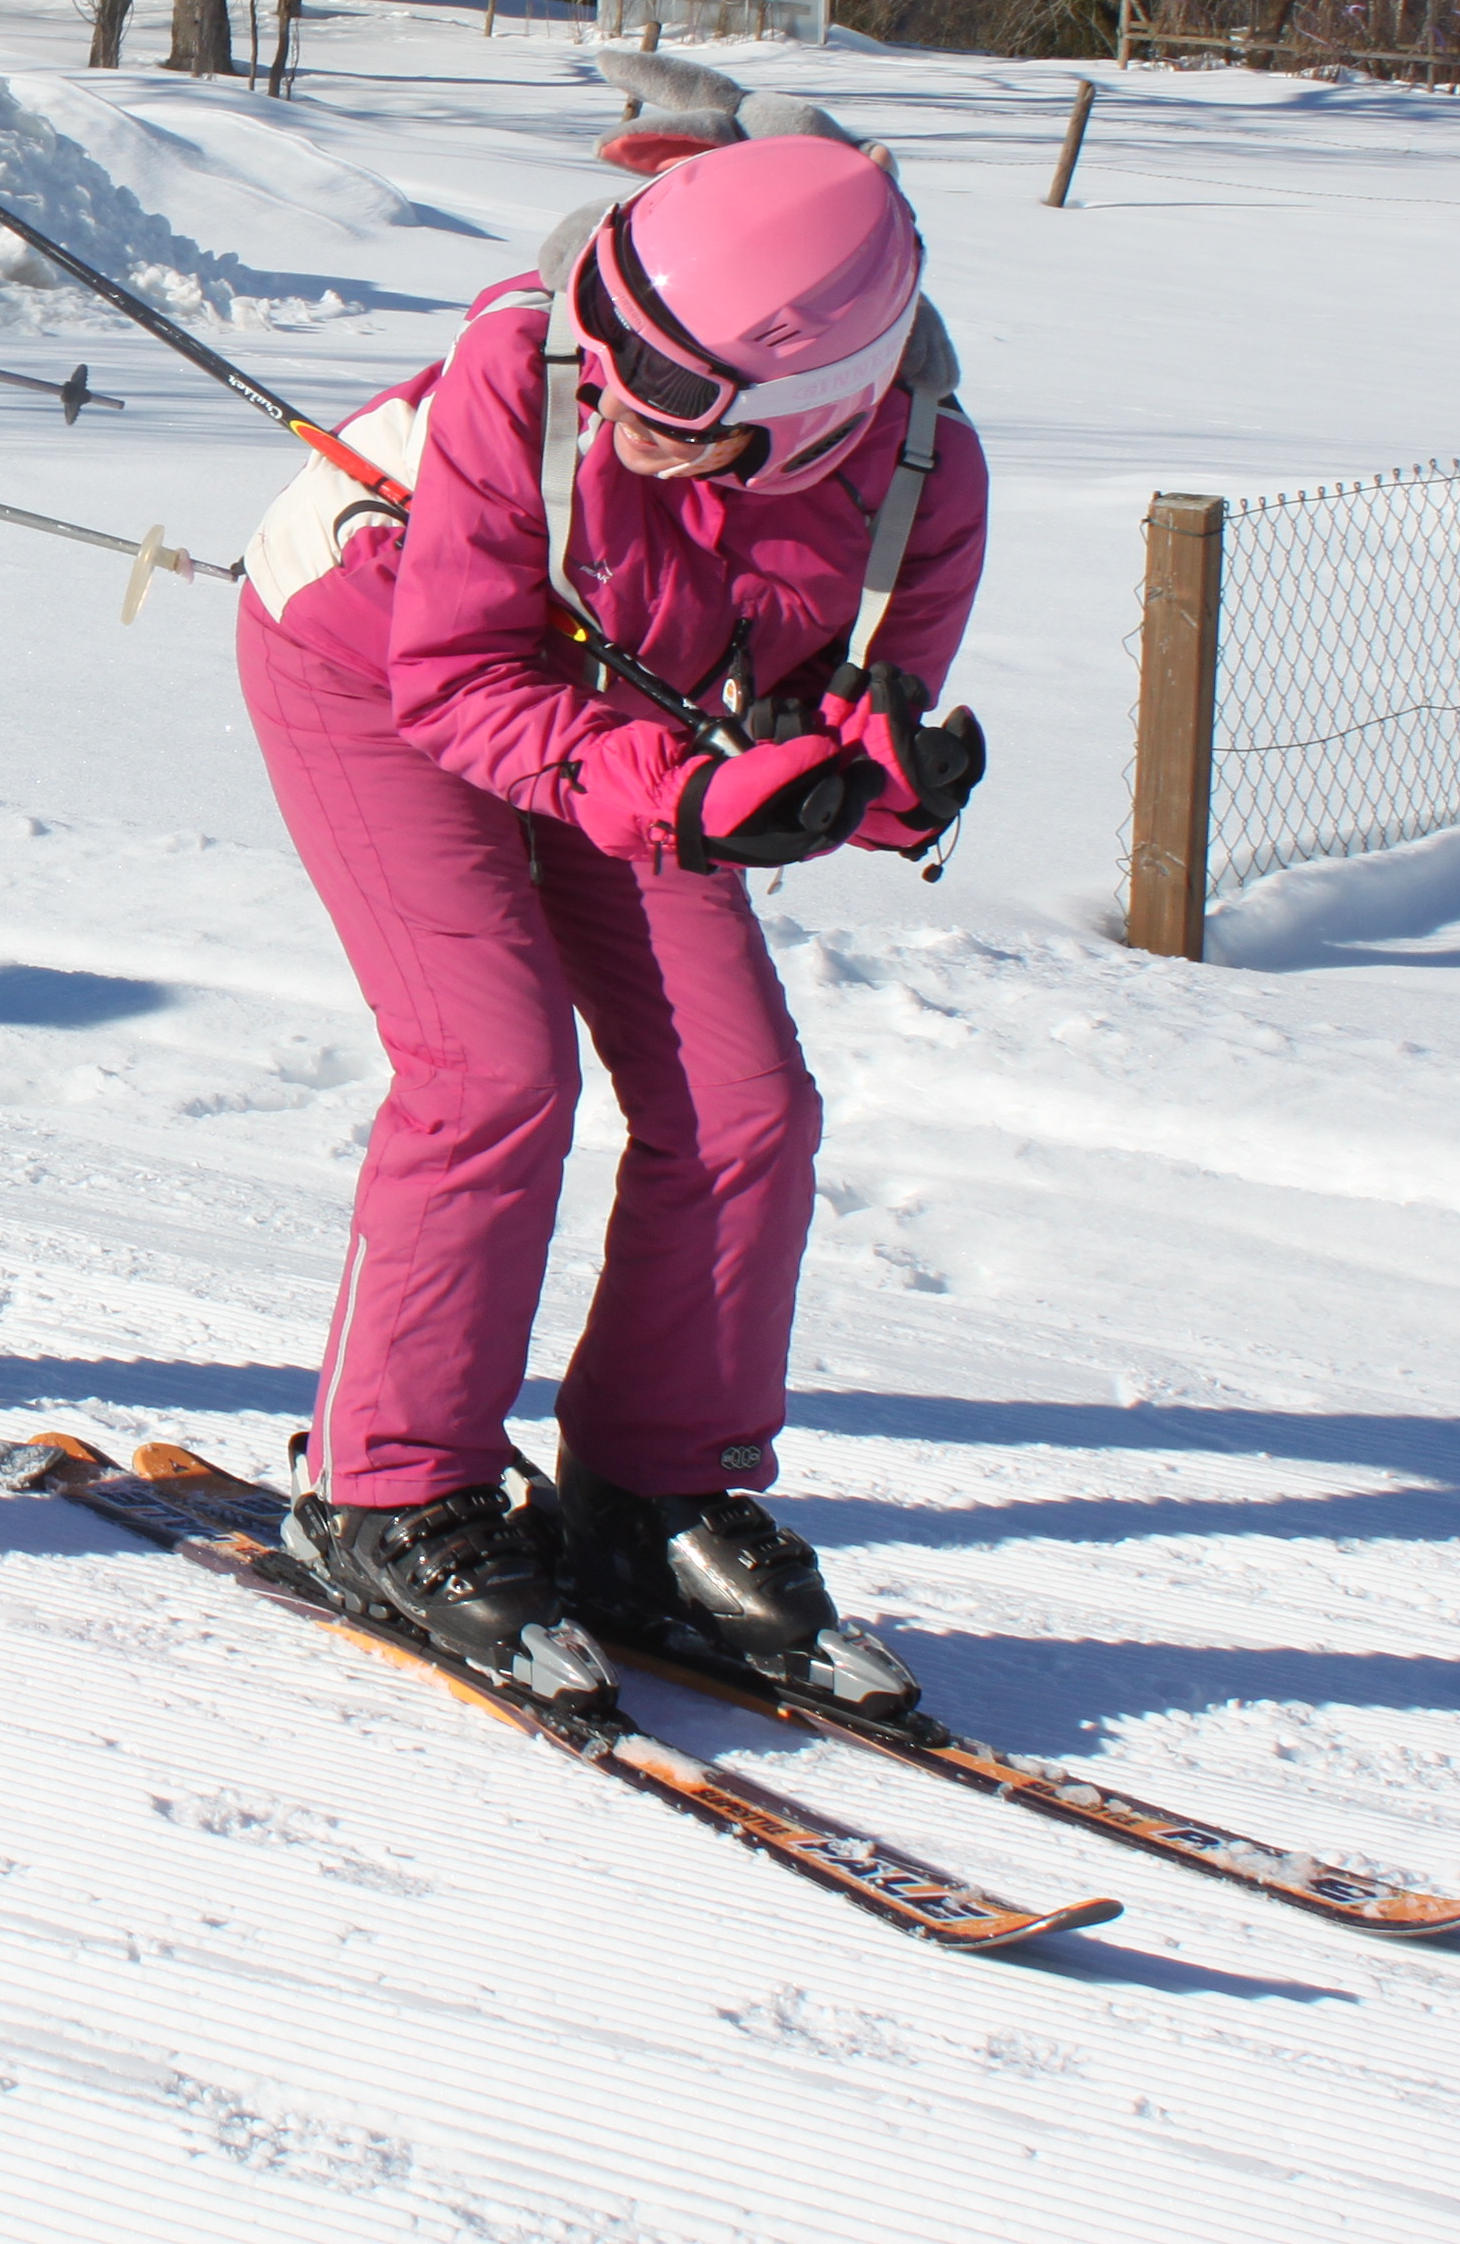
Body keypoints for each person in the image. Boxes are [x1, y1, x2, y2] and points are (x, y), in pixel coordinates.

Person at [230, 127, 989, 1711]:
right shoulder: (529, 371)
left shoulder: (921, 479)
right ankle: (386, 1488)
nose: (620, 404)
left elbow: (834, 717)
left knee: (746, 1107)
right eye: (611, 343)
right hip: (375, 670)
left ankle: (648, 1497)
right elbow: (457, 680)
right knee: (492, 1070)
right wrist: (691, 798)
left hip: (630, 735)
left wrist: (878, 783)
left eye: (674, 397)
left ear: (814, 407)